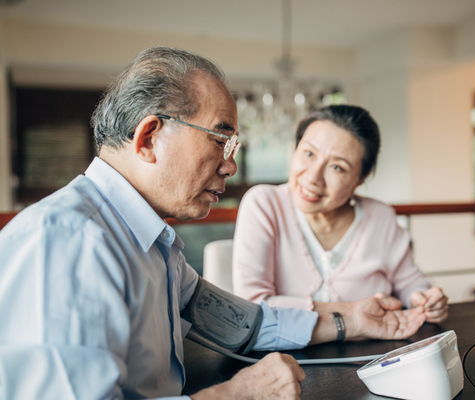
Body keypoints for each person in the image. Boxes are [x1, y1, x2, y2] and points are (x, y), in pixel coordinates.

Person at [0, 47, 427, 400]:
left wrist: (353, 319)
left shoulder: (152, 243)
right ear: (149, 138)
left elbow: (244, 324)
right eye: (221, 140)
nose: (232, 164)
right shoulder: (67, 239)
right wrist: (239, 395)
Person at [233, 105, 449, 323]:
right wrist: (354, 312)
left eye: (337, 167)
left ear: (360, 179)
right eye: (309, 153)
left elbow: (410, 282)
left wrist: (423, 299)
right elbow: (254, 306)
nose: (313, 177)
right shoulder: (264, 204)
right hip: (282, 355)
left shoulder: (380, 217)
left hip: (372, 352)